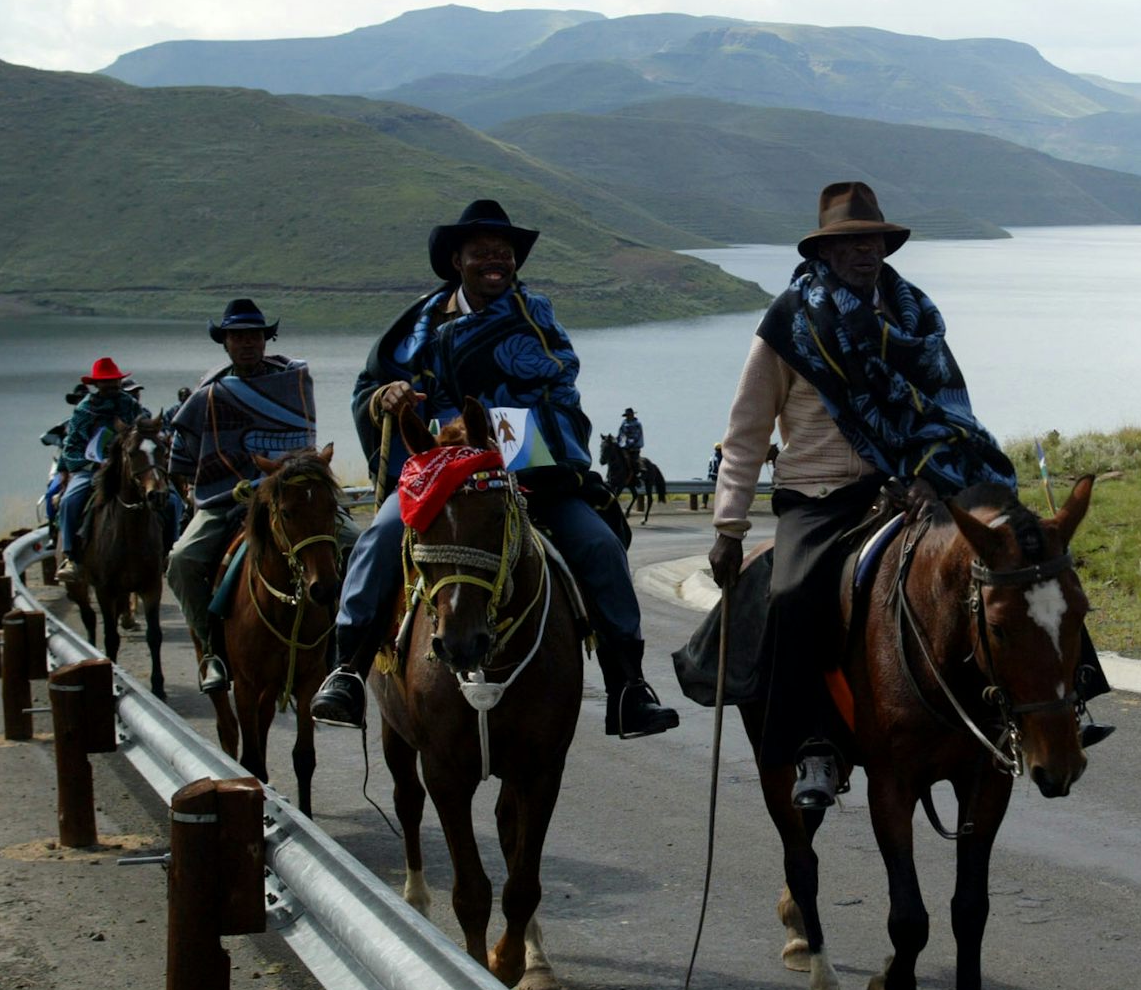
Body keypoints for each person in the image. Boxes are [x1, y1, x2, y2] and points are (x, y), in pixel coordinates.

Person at [708, 182, 1112, 812]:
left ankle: (1070, 701)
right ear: (825, 251)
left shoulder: (916, 318)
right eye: (849, 242)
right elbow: (747, 431)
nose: (863, 251)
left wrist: (929, 472)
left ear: (885, 245)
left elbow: (950, 412)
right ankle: (814, 741)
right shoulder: (787, 326)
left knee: (1031, 564)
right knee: (791, 594)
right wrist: (729, 527)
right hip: (818, 497)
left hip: (915, 486)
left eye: (871, 239)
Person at [309, 200, 679, 739]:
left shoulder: (537, 316)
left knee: (598, 545)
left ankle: (628, 686)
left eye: (504, 254)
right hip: (437, 474)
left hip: (530, 471)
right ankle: (346, 669)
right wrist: (387, 397)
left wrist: (514, 430)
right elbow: (370, 388)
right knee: (382, 534)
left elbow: (561, 388)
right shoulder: (417, 325)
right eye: (482, 252)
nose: (495, 261)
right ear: (456, 259)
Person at [166, 299, 356, 697]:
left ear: (266, 339)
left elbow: (302, 444)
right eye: (237, 337)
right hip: (226, 499)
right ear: (226, 343)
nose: (247, 343)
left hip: (292, 494)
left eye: (254, 336)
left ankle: (347, 645)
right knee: (182, 560)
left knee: (358, 543)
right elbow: (182, 455)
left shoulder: (294, 384)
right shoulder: (208, 396)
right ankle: (212, 652)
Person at [55, 357, 149, 585]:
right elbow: (71, 449)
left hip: (129, 467)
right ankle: (71, 557)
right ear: (96, 384)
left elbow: (144, 433)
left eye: (115, 382)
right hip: (93, 469)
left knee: (170, 499)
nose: (112, 387)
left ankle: (167, 547)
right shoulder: (84, 410)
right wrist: (94, 465)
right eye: (106, 383)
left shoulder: (131, 405)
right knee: (69, 501)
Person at [617, 408, 644, 473]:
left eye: (629, 415)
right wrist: (618, 440)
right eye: (627, 415)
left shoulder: (637, 424)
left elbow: (637, 436)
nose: (628, 416)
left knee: (634, 461)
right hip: (624, 446)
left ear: (632, 415)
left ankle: (639, 473)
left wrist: (629, 442)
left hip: (634, 447)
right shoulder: (624, 423)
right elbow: (621, 433)